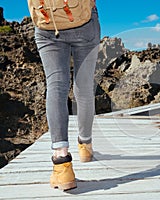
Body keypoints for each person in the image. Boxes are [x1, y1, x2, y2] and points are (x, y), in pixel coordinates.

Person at [31, 1, 101, 190]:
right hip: (84, 22)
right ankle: (85, 146)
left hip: (47, 25)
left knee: (56, 86)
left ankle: (62, 163)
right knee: (84, 88)